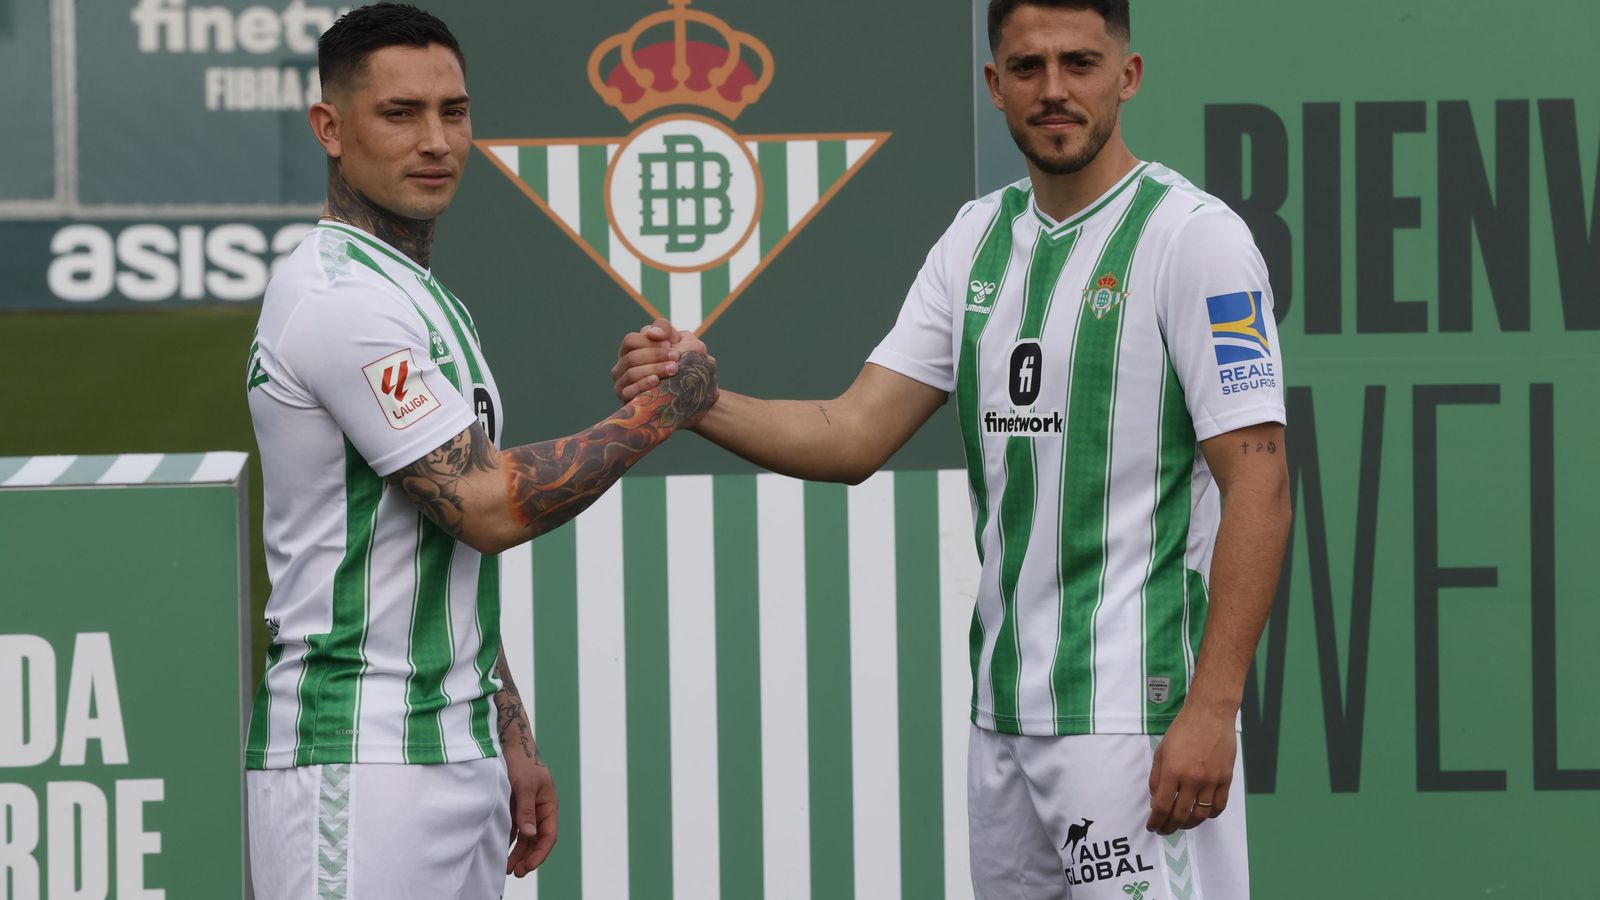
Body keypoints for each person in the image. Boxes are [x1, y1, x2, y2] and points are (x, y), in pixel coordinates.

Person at [613, 1, 1288, 897]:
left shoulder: (1196, 240)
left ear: (1127, 77)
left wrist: (1213, 710)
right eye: (1027, 67)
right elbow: (852, 433)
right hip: (1003, 720)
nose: (1054, 89)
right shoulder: (974, 240)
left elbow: (1262, 486)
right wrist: (697, 403)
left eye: (1080, 64)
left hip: (1135, 719)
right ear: (993, 86)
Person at [243, 4, 717, 898]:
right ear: (330, 129)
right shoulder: (337, 297)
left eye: (453, 112)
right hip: (358, 758)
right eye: (400, 114)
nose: (436, 141)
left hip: (451, 749)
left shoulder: (421, 296)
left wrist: (508, 730)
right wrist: (667, 409)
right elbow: (486, 506)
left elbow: (441, 546)